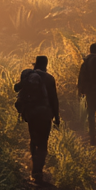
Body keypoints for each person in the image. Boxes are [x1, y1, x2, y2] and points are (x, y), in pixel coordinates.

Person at [14, 54, 60, 183]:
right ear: (46, 65)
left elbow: (17, 89)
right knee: (43, 142)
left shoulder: (29, 77)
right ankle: (39, 171)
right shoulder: (50, 79)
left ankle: (34, 170)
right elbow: (54, 100)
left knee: (33, 139)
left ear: (36, 64)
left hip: (31, 113)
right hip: (45, 114)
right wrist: (57, 117)